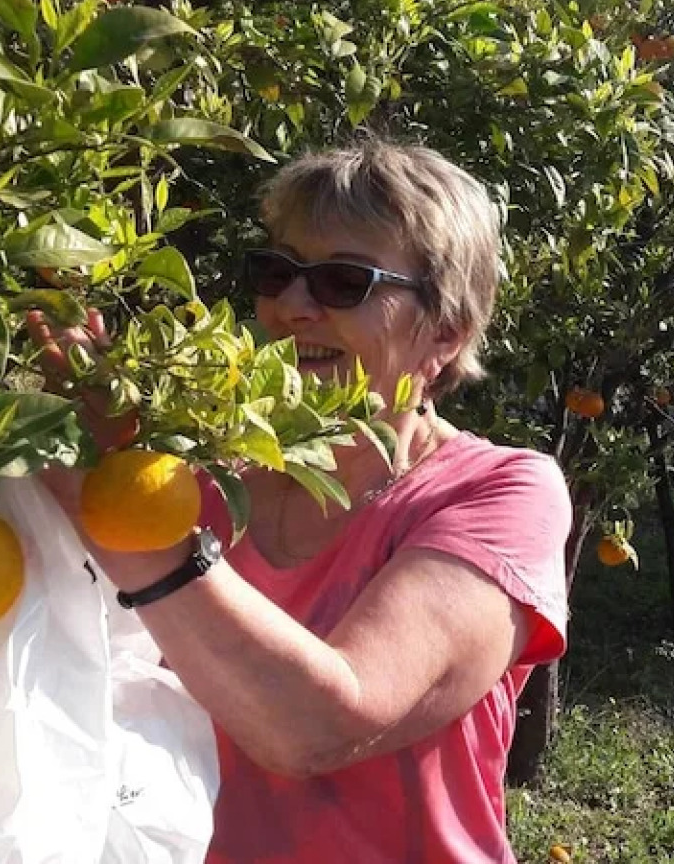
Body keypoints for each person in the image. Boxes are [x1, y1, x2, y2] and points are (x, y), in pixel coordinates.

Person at [32, 138, 573, 863]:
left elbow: (319, 727)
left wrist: (127, 513)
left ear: (443, 333)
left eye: (343, 282)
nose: (291, 306)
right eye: (276, 272)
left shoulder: (501, 493)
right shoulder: (199, 476)